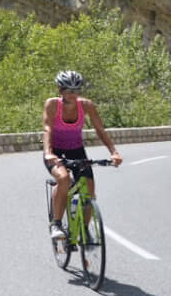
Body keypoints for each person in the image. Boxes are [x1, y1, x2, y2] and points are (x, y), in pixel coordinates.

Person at [43, 69, 122, 241]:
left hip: (77, 150)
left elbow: (100, 130)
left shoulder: (86, 105)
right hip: (55, 151)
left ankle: (84, 230)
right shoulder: (52, 104)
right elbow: (48, 128)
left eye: (77, 90)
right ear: (60, 90)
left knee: (90, 192)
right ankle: (56, 224)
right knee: (63, 179)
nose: (73, 94)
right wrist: (49, 152)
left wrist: (114, 152)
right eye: (69, 90)